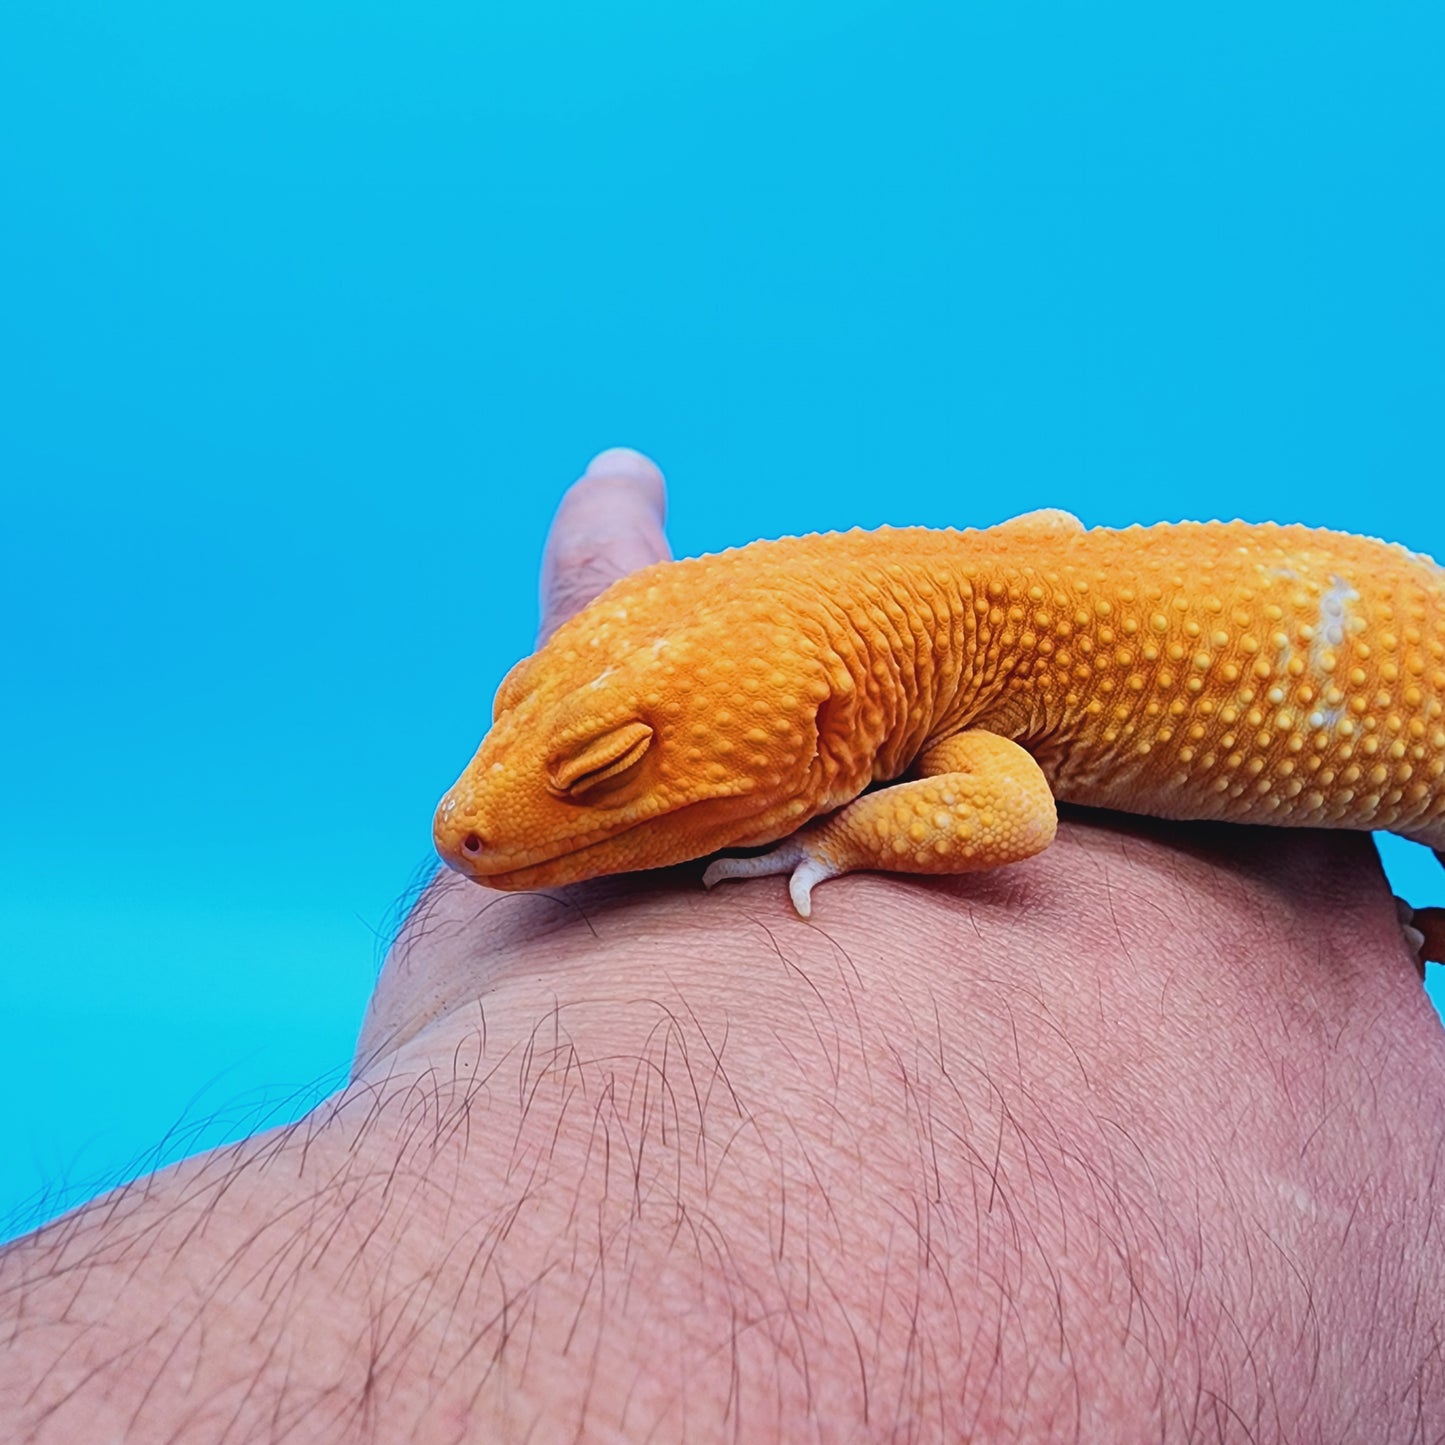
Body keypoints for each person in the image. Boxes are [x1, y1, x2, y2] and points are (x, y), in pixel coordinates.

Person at [3, 449, 1441, 1442]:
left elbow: (1005, 819)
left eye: (608, 769)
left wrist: (836, 841)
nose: (471, 825)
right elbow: (1049, 539)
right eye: (531, 724)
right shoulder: (967, 618)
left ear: (833, 736)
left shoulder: (956, 702)